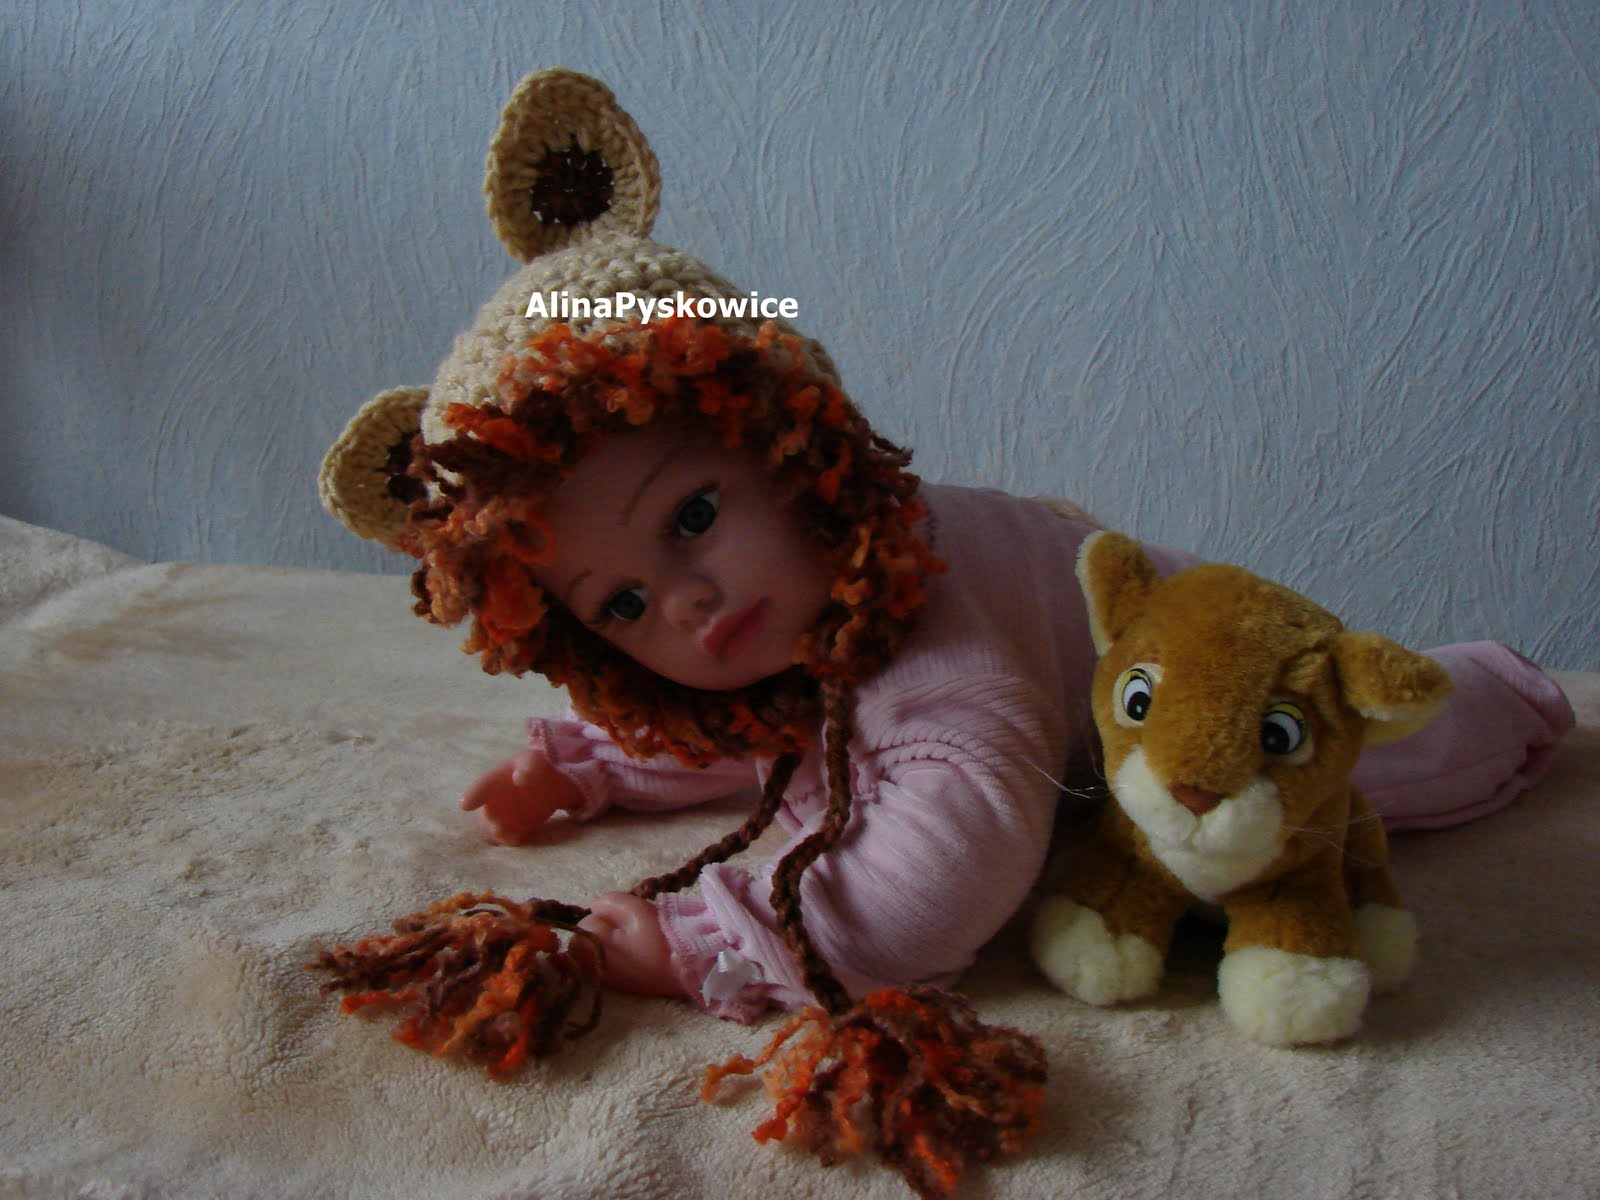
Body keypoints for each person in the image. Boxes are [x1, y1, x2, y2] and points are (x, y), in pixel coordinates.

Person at [320, 68, 1575, 1030]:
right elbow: (753, 732)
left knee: (1334, 761)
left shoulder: (935, 644)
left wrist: (711, 940)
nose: (688, 601)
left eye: (693, 517)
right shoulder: (781, 617)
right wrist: (591, 763)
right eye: (620, 606)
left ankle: (1506, 691)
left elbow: (951, 870)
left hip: (1193, 668)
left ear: (791, 437)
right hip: (1066, 678)